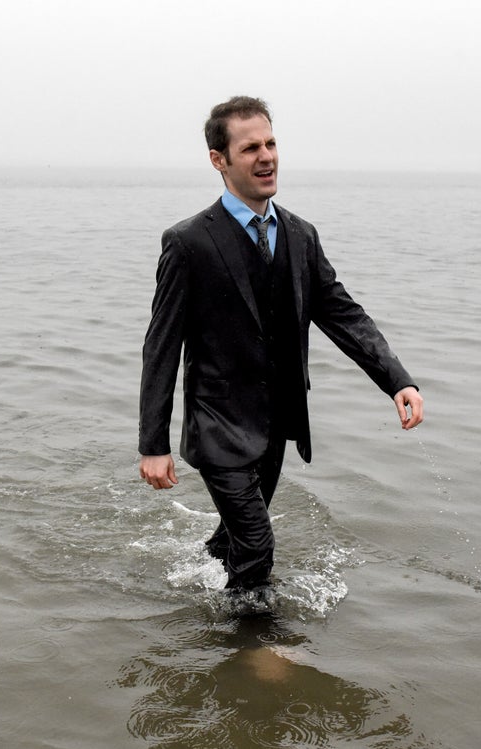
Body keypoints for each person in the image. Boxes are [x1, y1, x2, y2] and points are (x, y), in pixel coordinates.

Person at [138, 96, 424, 592]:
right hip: (218, 426)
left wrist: (396, 380)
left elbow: (341, 313)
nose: (266, 156)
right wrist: (153, 444)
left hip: (277, 425)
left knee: (235, 539)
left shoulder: (300, 235)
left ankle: (196, 597)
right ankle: (254, 652)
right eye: (250, 148)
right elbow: (160, 347)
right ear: (218, 160)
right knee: (258, 548)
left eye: (271, 143)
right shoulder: (188, 243)